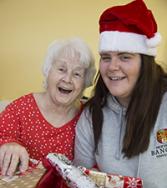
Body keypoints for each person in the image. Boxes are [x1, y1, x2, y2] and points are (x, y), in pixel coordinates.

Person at [74, 0, 167, 188]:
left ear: (145, 63)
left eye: (125, 57)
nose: (112, 67)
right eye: (106, 57)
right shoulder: (91, 116)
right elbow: (82, 184)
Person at [0, 37, 96, 176]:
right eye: (62, 69)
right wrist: (9, 144)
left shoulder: (87, 117)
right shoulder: (21, 108)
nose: (67, 79)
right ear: (48, 71)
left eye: (77, 74)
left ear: (85, 81)